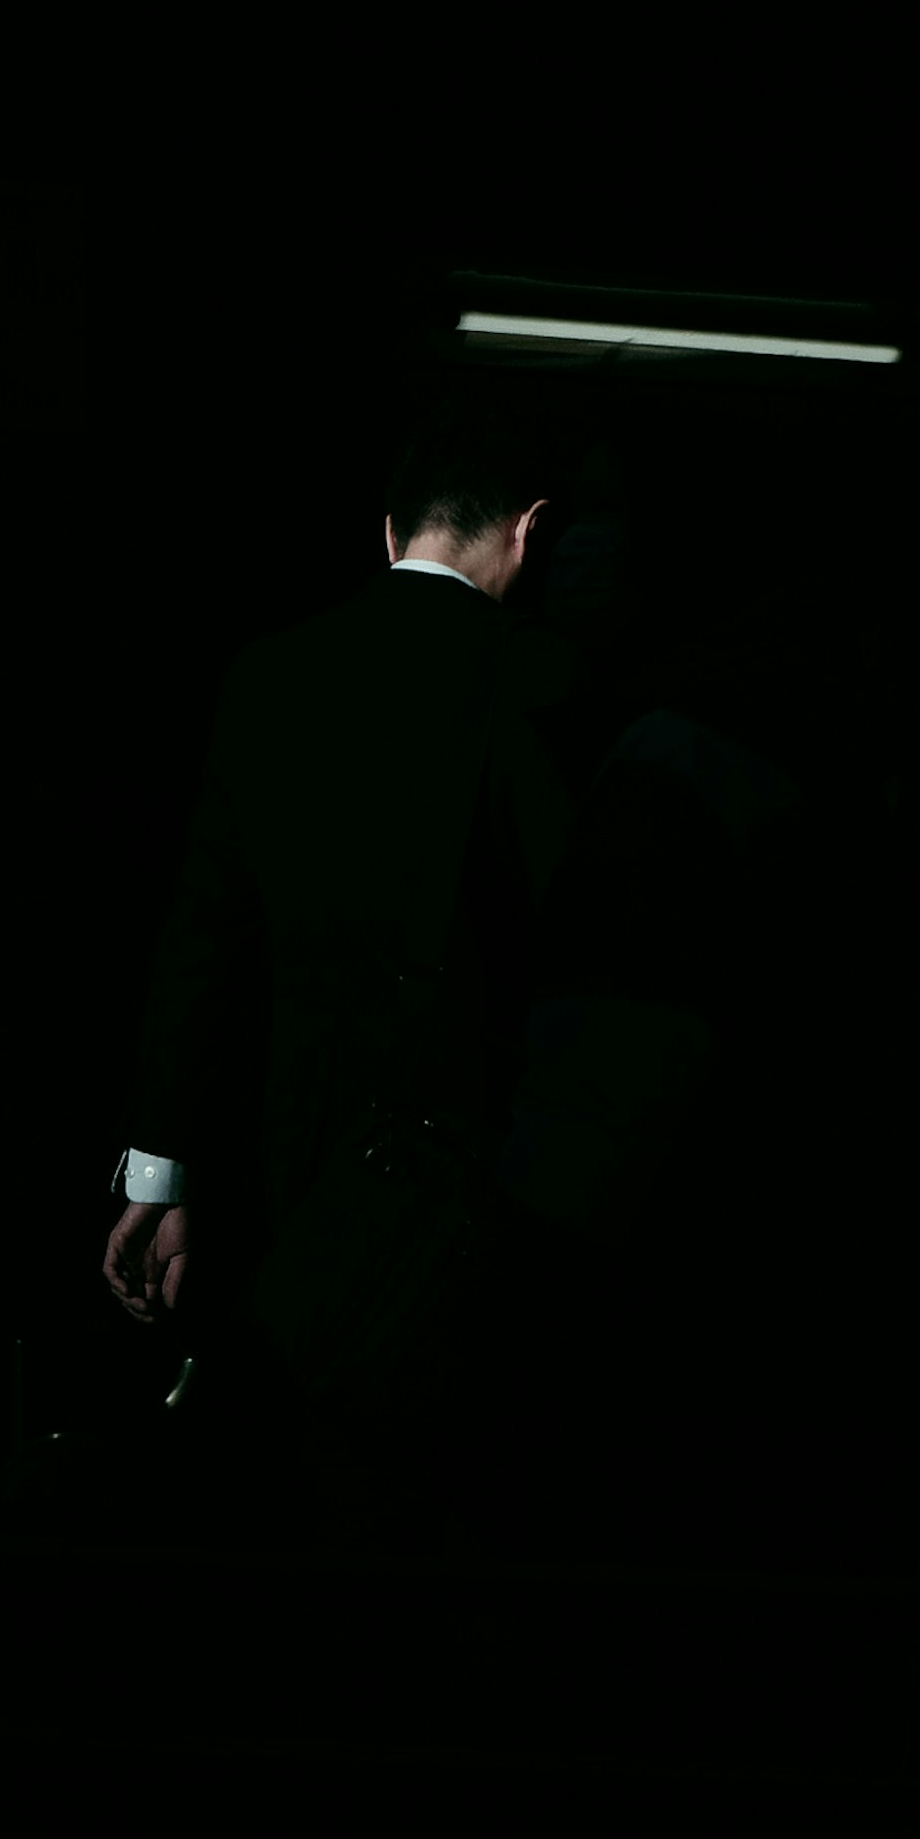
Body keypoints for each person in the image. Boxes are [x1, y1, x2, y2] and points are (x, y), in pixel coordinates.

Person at [101, 384, 569, 1544]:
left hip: (283, 1167)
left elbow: (205, 937)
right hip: (464, 1192)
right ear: (527, 529)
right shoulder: (536, 683)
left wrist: (161, 1174)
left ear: (389, 532)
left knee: (291, 1506)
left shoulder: (271, 676)